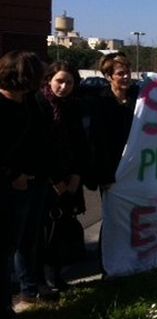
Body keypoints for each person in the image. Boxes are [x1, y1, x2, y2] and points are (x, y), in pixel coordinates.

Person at [34, 61, 88, 291]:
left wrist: (76, 175)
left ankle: (55, 276)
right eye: (59, 81)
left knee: (61, 230)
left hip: (70, 177)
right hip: (46, 180)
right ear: (49, 80)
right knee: (43, 233)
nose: (63, 86)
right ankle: (38, 281)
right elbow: (40, 147)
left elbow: (80, 144)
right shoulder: (39, 105)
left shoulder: (74, 107)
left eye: (69, 82)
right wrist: (55, 180)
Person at [0, 51, 44, 319]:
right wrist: (12, 175)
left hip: (30, 183)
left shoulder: (29, 103)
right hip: (7, 187)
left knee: (18, 244)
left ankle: (9, 303)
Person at [87, 52, 139, 271]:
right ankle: (108, 265)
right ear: (108, 76)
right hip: (111, 171)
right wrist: (104, 175)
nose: (126, 77)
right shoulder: (100, 102)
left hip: (136, 169)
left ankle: (134, 259)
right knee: (112, 219)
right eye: (120, 73)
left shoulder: (139, 98)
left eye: (127, 72)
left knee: (135, 217)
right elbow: (98, 142)